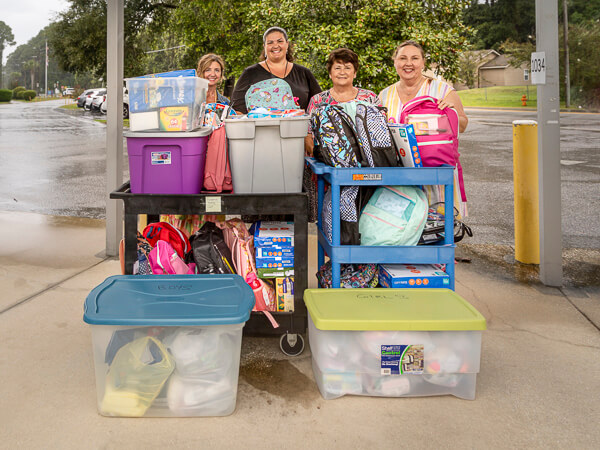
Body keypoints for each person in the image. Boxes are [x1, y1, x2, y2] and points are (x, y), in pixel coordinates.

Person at [305, 47, 382, 156]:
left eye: (347, 68)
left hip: (367, 164)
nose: (342, 72)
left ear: (354, 73)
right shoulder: (318, 101)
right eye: (337, 68)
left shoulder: (369, 98)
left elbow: (381, 133)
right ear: (330, 73)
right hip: (327, 165)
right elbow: (308, 134)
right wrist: (322, 158)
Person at [379, 40, 468, 132]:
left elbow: (462, 127)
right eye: (403, 58)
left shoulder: (443, 90)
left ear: (423, 62)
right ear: (395, 62)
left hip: (431, 146)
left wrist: (451, 114)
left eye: (415, 58)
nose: (408, 63)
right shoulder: (384, 95)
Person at [230, 26, 322, 114]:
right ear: (264, 47)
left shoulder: (304, 73)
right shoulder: (250, 73)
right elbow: (237, 110)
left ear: (287, 44)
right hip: (261, 129)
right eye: (270, 42)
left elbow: (319, 105)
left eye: (280, 41)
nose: (275, 46)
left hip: (299, 129)